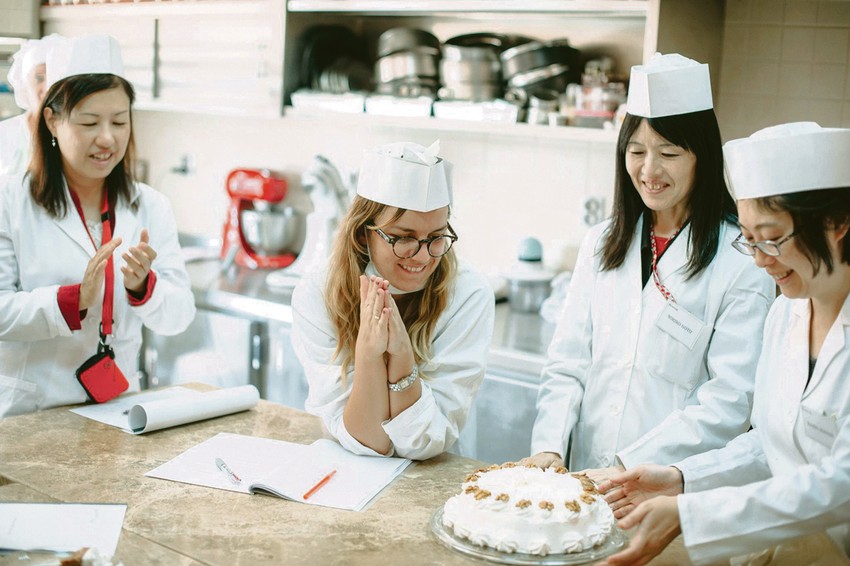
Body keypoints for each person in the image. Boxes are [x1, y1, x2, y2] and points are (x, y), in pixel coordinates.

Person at [598, 122, 850, 565]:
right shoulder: (787, 314)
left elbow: (841, 485)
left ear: (837, 224)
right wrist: (681, 477)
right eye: (748, 239)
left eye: (771, 238)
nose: (757, 259)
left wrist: (693, 514)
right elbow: (772, 445)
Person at [527, 54, 774, 477]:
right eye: (636, 150)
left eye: (669, 153)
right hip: (589, 475)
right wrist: (550, 446)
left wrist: (631, 464)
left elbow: (730, 398)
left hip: (671, 483)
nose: (649, 169)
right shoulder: (602, 242)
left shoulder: (741, 260)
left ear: (703, 157)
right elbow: (568, 361)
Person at [0, 35, 195, 418]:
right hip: (30, 411)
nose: (107, 138)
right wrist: (72, 301)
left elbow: (180, 315)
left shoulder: (149, 205)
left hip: (117, 410)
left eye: (119, 122)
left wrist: (144, 288)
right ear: (52, 120)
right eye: (89, 122)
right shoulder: (9, 201)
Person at [291, 140, 494, 460]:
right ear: (362, 233)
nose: (423, 256)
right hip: (346, 474)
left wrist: (400, 355)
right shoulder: (319, 291)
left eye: (437, 237)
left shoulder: (467, 295)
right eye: (403, 238)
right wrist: (370, 354)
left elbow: (426, 441)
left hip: (431, 481)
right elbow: (366, 441)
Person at [0, 34, 63, 177]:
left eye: (55, 78)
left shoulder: (75, 132)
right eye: (39, 78)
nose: (48, 87)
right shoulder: (4, 134)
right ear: (24, 84)